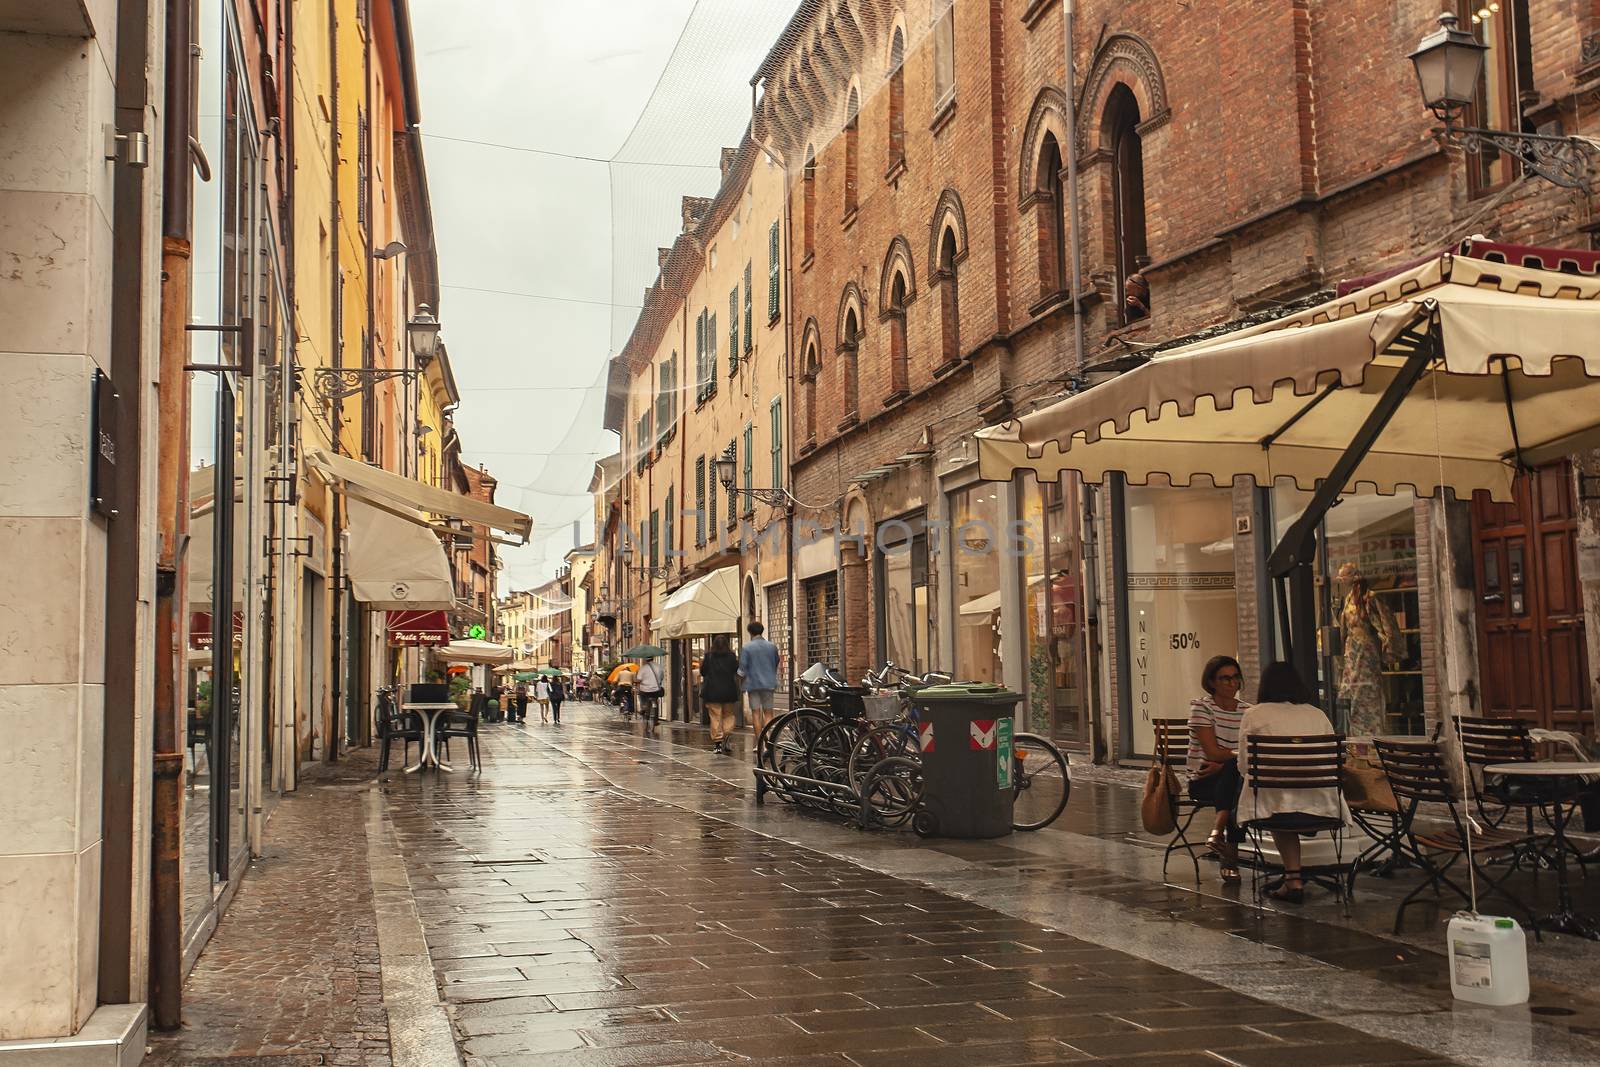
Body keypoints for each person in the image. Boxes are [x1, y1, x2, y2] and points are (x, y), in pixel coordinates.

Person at [1236, 661, 1344, 904]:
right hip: (1323, 807)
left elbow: (1244, 767)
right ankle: (1292, 877)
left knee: (1276, 799)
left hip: (1272, 810)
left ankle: (1293, 878)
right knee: (1281, 798)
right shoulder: (1317, 714)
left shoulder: (1253, 715)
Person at [1186, 655, 1248, 884]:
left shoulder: (1248, 712)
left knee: (1236, 777)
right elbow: (1211, 753)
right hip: (1203, 779)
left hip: (1234, 779)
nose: (1232, 684)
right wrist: (1231, 758)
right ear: (1212, 682)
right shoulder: (1202, 707)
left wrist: (1226, 761)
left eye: (1235, 678)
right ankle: (1229, 855)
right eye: (1225, 679)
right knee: (1237, 779)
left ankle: (1218, 830)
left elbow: (1246, 753)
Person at [737, 621, 781, 740]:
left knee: (756, 713)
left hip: (753, 685)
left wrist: (740, 682)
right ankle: (769, 741)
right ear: (762, 631)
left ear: (750, 632)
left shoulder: (747, 648)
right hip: (769, 683)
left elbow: (742, 669)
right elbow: (776, 661)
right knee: (768, 713)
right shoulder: (772, 646)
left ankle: (760, 743)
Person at [700, 634, 742, 754]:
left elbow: (703, 672)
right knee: (728, 715)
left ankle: (718, 743)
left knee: (715, 717)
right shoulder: (732, 656)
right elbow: (736, 670)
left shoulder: (709, 656)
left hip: (712, 691)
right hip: (728, 691)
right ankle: (726, 734)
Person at [635, 656, 664, 725]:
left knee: (641, 696)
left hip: (645, 690)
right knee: (655, 702)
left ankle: (643, 707)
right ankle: (656, 720)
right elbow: (662, 677)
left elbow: (638, 679)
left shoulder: (643, 668)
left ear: (645, 660)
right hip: (656, 689)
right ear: (653, 658)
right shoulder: (658, 667)